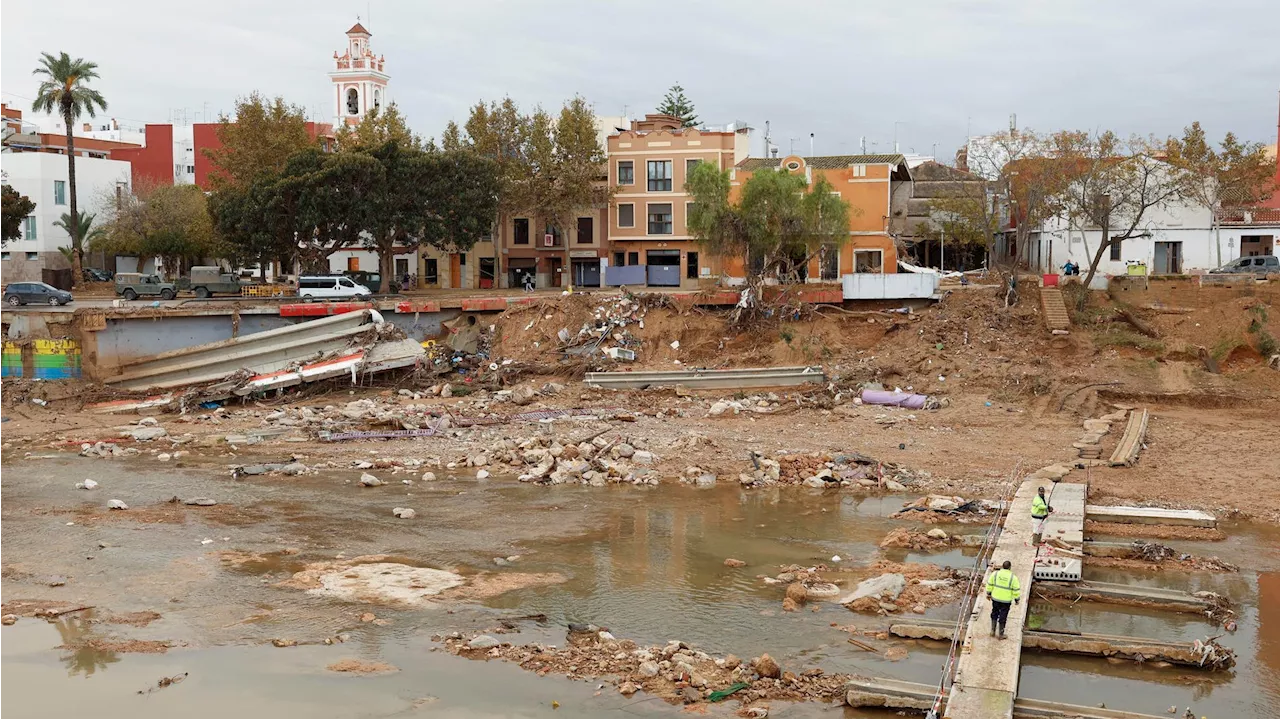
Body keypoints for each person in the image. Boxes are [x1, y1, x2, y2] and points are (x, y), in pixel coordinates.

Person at [985, 560, 1021, 639]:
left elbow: (990, 584)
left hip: (995, 598)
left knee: (994, 612)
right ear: (1010, 568)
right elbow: (1016, 590)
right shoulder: (1013, 578)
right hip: (1006, 601)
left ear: (1002, 566)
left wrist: (988, 593)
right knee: (1003, 616)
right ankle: (1001, 634)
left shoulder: (995, 574)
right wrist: (1017, 599)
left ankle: (992, 631)